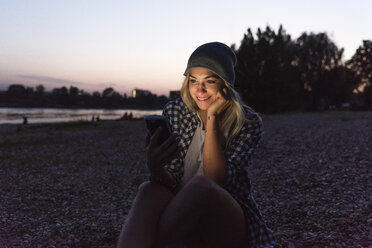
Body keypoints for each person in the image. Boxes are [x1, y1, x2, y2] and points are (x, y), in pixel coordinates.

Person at [118, 42, 275, 247]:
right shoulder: (176, 111)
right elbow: (171, 181)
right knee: (149, 189)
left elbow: (214, 180)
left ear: (225, 85)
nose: (199, 89)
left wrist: (212, 118)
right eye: (193, 80)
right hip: (179, 216)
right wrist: (156, 167)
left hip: (225, 221)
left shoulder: (246, 122)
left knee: (200, 186)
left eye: (209, 81)